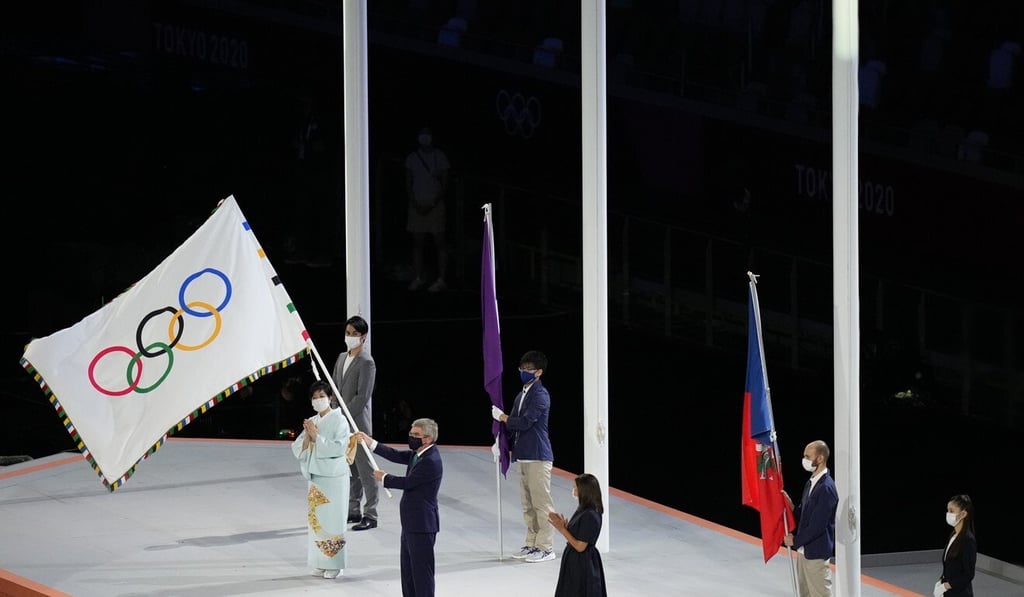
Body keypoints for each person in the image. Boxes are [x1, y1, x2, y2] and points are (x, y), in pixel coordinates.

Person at [354, 418, 443, 597]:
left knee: (421, 574)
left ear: (427, 438)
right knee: (408, 571)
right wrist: (370, 442)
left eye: (415, 435)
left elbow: (409, 482)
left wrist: (385, 478)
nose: (411, 437)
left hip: (422, 526)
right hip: (410, 524)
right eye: (411, 433)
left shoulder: (430, 461)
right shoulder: (418, 454)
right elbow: (394, 455)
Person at [491, 350, 556, 563]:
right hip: (522, 455)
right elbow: (512, 427)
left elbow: (525, 423)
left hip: (538, 455)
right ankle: (532, 543)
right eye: (522, 368)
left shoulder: (541, 395)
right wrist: (499, 443)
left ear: (539, 372)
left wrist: (502, 417)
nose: (524, 371)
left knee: (541, 504)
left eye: (529, 369)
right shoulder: (521, 395)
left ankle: (546, 547)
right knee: (528, 504)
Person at [291, 380, 352, 580]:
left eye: (322, 397)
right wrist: (309, 437)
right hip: (316, 476)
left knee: (334, 520)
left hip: (334, 476)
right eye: (315, 398)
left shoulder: (340, 420)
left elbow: (339, 447)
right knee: (317, 520)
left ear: (330, 398)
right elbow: (298, 447)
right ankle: (319, 561)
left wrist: (317, 437)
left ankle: (334, 563)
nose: (318, 401)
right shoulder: (312, 420)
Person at [331, 314, 379, 531]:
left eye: (355, 334)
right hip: (341, 423)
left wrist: (344, 414)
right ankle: (353, 509)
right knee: (351, 469)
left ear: (363, 337)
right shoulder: (342, 357)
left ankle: (371, 513)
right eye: (348, 333)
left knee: (365, 469)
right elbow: (335, 387)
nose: (350, 337)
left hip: (357, 423)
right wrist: (333, 411)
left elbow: (362, 396)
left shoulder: (367, 362)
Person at [783, 440, 839, 597]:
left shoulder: (826, 488)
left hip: (815, 554)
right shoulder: (811, 483)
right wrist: (791, 506)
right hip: (803, 552)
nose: (804, 460)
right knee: (805, 594)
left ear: (820, 458)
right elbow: (804, 515)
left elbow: (817, 526)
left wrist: (795, 540)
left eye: (808, 456)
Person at [404, 126, 450, 293]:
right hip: (416, 207)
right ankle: (417, 277)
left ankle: (441, 279)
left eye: (427, 134)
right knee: (418, 244)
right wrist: (416, 204)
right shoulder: (412, 158)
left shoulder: (440, 157)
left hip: (435, 208)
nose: (425, 137)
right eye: (422, 134)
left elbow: (445, 184)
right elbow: (408, 184)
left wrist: (432, 204)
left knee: (440, 243)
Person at [548, 473, 608, 596]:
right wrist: (565, 527)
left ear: (584, 490)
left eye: (576, 487)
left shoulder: (590, 515)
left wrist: (562, 529)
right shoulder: (583, 509)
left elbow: (580, 546)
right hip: (576, 561)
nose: (573, 490)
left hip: (582, 564)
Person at [934, 494, 976, 597]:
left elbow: (968, 575)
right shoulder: (953, 535)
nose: (948, 514)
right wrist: (941, 581)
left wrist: (945, 586)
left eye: (952, 511)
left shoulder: (968, 540)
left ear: (963, 514)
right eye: (948, 510)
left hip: (960, 593)